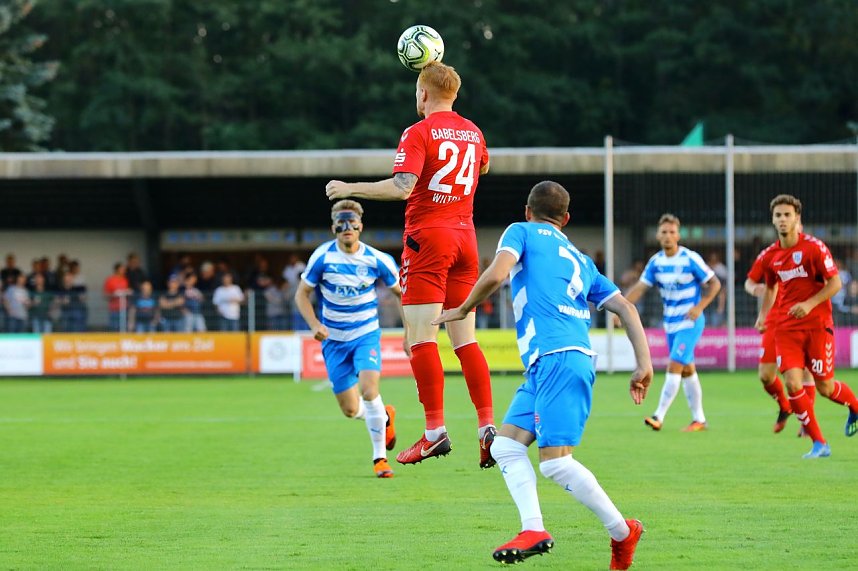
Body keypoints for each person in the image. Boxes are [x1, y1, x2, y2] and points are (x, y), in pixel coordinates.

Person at [434, 181, 652, 569]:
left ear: (527, 210)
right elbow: (626, 309)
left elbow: (497, 274)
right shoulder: (582, 260)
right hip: (549, 363)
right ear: (566, 219)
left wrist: (463, 308)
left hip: (559, 357)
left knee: (554, 462)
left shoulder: (521, 232)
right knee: (505, 446)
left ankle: (623, 531)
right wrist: (644, 364)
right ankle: (533, 528)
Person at [325, 62, 497, 468]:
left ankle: (434, 432)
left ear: (422, 94)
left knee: (421, 338)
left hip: (429, 237)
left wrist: (350, 188)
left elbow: (403, 187)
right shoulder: (473, 131)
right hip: (465, 238)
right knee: (465, 340)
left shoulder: (417, 132)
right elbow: (484, 165)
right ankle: (487, 426)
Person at [294, 200, 405, 478]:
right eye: (341, 224)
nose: (347, 229)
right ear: (333, 228)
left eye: (351, 224)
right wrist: (314, 324)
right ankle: (384, 417)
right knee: (351, 409)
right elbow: (301, 294)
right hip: (333, 340)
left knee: (369, 390)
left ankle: (380, 458)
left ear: (360, 227)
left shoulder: (377, 259)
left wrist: (410, 333)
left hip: (365, 335)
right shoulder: (322, 257)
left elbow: (401, 295)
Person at [756, 194, 858, 458]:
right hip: (787, 329)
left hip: (817, 326)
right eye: (778, 215)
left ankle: (855, 406)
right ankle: (820, 443)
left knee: (825, 387)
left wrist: (810, 304)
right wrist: (764, 315)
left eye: (787, 215)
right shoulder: (770, 256)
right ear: (773, 220)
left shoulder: (814, 247)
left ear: (797, 218)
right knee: (792, 382)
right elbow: (770, 287)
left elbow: (835, 283)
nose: (782, 219)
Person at [624, 214, 721, 432]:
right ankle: (700, 419)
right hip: (670, 324)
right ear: (658, 235)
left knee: (674, 364)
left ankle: (658, 415)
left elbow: (714, 284)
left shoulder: (690, 258)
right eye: (664, 232)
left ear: (678, 234)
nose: (668, 236)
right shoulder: (656, 262)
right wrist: (621, 308)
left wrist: (700, 306)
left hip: (690, 322)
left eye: (672, 232)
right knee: (687, 371)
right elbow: (640, 288)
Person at [745, 224, 817, 435]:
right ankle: (785, 406)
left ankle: (807, 422)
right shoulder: (770, 255)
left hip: (801, 319)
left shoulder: (812, 251)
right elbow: (749, 281)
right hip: (775, 321)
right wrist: (755, 289)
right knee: (766, 376)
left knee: (805, 371)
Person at [103, 262, 131, 331]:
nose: (124, 271)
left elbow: (128, 291)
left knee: (124, 328)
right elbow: (105, 294)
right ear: (117, 270)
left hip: (124, 308)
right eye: (122, 269)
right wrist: (114, 294)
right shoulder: (110, 280)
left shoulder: (125, 280)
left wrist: (127, 292)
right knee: (114, 327)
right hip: (114, 308)